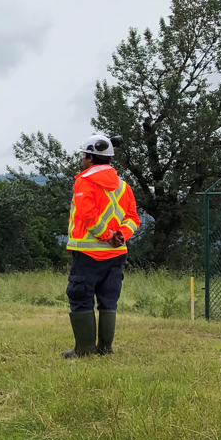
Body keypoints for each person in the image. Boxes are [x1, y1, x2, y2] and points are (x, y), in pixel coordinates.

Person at [64, 134, 140, 358]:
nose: (81, 160)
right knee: (108, 299)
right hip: (116, 254)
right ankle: (105, 348)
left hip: (88, 253)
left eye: (83, 156)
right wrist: (120, 236)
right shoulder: (124, 187)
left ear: (90, 157)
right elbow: (133, 218)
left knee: (80, 297)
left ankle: (85, 350)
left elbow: (87, 214)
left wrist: (107, 236)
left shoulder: (84, 181)